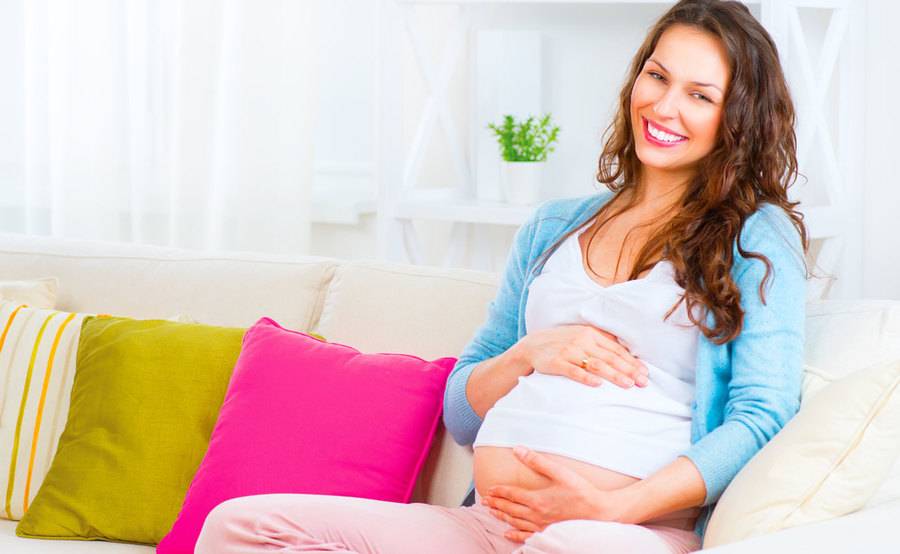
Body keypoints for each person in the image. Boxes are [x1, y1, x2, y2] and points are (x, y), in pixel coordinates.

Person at [194, 1, 809, 552]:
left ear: (739, 117)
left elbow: (761, 415)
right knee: (242, 526)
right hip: (489, 526)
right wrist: (530, 353)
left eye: (700, 95)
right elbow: (461, 411)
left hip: (628, 532)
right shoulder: (553, 227)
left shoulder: (755, 235)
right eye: (657, 75)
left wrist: (617, 506)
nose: (665, 106)